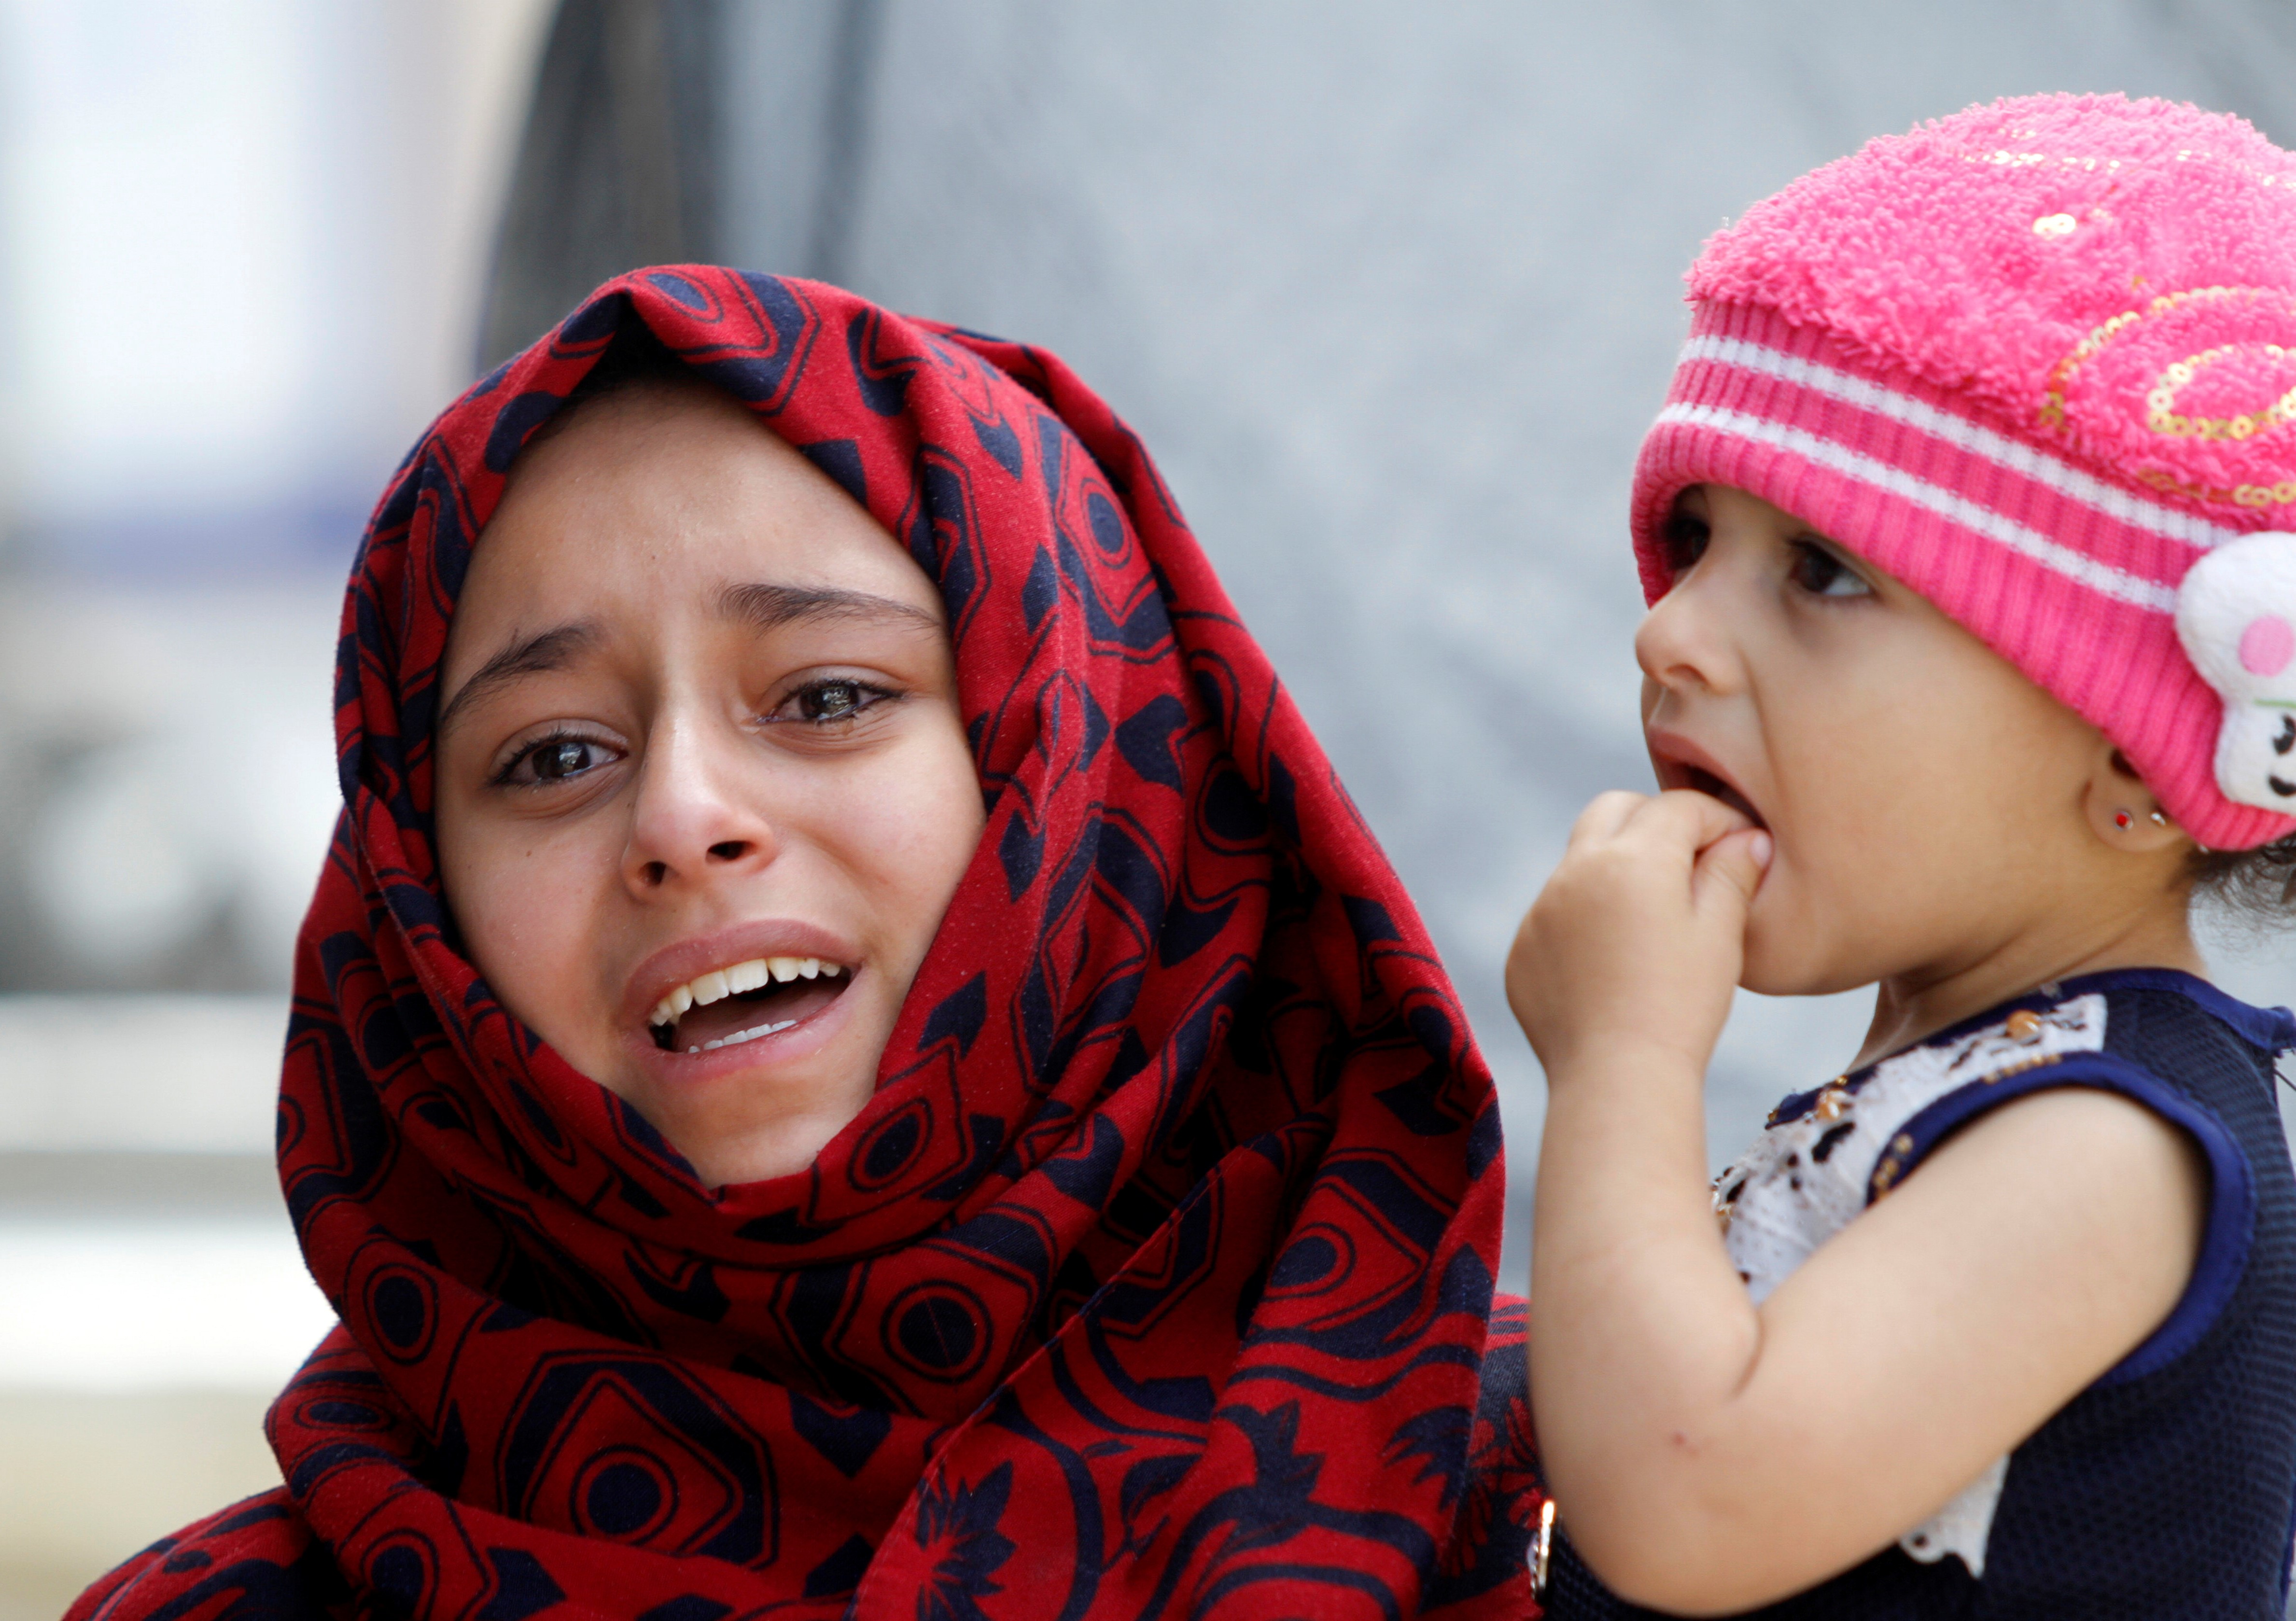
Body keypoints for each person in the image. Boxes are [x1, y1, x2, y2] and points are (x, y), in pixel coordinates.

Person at [71, 270, 1544, 1620]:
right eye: (552, 755)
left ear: (1097, 776)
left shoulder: (1607, 1500)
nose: (680, 815)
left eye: (828, 697)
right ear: (414, 911)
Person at [1509, 93, 2296, 1618]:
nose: (1666, 631)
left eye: (1819, 572)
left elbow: (1686, 1501)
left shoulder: (2110, 1148)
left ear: (2131, 754)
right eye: (1692, 541)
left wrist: (1617, 1065)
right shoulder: (1982, 1083)